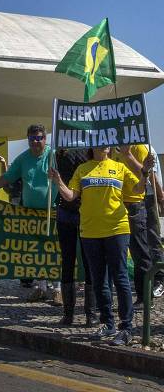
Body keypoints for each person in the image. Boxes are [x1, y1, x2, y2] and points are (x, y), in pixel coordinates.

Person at [50, 146, 153, 346]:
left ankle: (126, 327)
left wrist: (145, 172)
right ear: (92, 146)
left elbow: (138, 190)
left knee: (120, 277)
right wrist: (58, 180)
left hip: (117, 229)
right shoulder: (83, 169)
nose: (105, 144)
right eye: (100, 140)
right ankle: (107, 323)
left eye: (107, 141)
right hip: (89, 231)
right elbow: (70, 196)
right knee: (99, 280)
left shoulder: (119, 167)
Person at [0, 124, 60, 303]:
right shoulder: (23, 159)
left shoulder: (53, 156)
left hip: (51, 212)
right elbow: (6, 178)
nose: (35, 142)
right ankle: (42, 287)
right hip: (29, 214)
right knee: (37, 251)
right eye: (32, 139)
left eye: (39, 138)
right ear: (28, 140)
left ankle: (57, 289)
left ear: (45, 139)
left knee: (53, 250)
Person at [53, 148, 96, 326]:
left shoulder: (60, 152)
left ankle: (81, 314)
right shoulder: (59, 153)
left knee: (80, 262)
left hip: (81, 211)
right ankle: (82, 314)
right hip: (69, 212)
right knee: (76, 261)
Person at [112, 145, 152, 307]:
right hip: (115, 204)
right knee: (116, 251)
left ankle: (145, 297)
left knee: (139, 251)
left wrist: (128, 155)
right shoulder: (110, 149)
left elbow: (145, 177)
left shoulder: (139, 149)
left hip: (134, 204)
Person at [144, 147, 164, 298]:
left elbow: (153, 175)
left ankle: (160, 279)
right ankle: (145, 279)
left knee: (153, 239)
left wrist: (161, 198)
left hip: (149, 197)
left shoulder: (147, 148)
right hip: (129, 197)